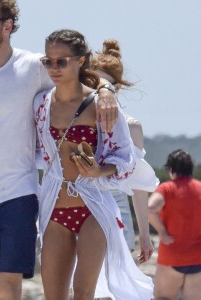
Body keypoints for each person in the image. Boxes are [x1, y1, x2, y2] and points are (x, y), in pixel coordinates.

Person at [0, 1, 118, 299]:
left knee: (8, 283)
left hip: (20, 195)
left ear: (7, 25)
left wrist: (107, 92)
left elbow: (86, 73)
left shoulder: (34, 67)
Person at [34, 29, 153, 300]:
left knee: (85, 292)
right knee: (53, 294)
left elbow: (126, 158)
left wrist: (100, 170)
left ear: (80, 61)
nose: (53, 68)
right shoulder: (40, 103)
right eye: (47, 61)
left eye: (61, 61)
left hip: (94, 207)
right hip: (53, 207)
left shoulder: (101, 106)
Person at [90, 39, 158, 262]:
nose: (98, 89)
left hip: (117, 205)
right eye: (93, 82)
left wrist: (145, 236)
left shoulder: (131, 126)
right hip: (80, 202)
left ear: (116, 88)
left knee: (115, 288)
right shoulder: (76, 121)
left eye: (105, 83)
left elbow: (138, 184)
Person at [148, 149, 201, 300]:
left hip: (173, 255)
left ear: (171, 169)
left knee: (163, 298)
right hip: (198, 257)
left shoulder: (167, 188)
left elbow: (150, 208)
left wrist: (162, 232)